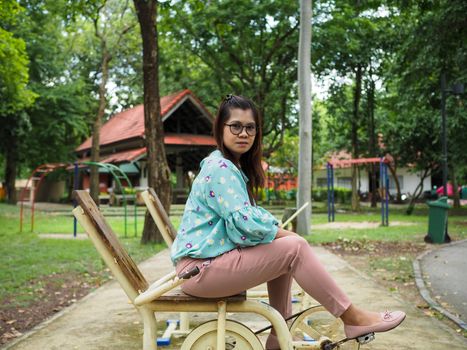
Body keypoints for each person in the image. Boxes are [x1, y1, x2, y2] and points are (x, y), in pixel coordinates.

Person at [171, 94, 405, 349]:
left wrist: (282, 235)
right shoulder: (221, 168)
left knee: (286, 252)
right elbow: (245, 225)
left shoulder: (227, 166)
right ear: (221, 129)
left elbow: (245, 227)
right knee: (295, 248)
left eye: (250, 127)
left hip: (202, 268)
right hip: (200, 271)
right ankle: (353, 317)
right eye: (235, 126)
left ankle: (278, 337)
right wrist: (288, 236)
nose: (243, 133)